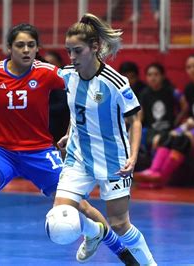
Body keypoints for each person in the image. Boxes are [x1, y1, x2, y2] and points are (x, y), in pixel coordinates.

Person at [0, 23, 138, 266]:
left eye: (31, 45)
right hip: (0, 151)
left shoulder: (47, 72)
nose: (26, 50)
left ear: (37, 49)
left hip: (39, 152)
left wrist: (80, 127)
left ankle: (122, 253)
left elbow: (82, 88)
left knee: (80, 206)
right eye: (20, 45)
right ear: (9, 48)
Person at [47, 13, 156, 265]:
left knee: (120, 225)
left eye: (77, 51)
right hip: (78, 157)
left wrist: (133, 156)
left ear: (95, 48)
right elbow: (78, 110)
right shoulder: (67, 75)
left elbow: (135, 120)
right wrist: (68, 133)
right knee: (60, 214)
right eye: (68, 51)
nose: (72, 57)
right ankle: (95, 231)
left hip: (112, 159)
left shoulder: (115, 82)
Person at [136, 54, 194, 187]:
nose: (192, 70)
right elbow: (189, 111)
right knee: (171, 135)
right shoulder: (189, 88)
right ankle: (154, 171)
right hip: (193, 125)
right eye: (189, 67)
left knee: (184, 138)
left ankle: (161, 176)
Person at [44, 51, 70, 144]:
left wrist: (41, 109)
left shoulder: (64, 81)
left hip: (61, 131)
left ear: (59, 64)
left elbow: (64, 105)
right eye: (46, 64)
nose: (48, 67)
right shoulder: (42, 81)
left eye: (51, 64)